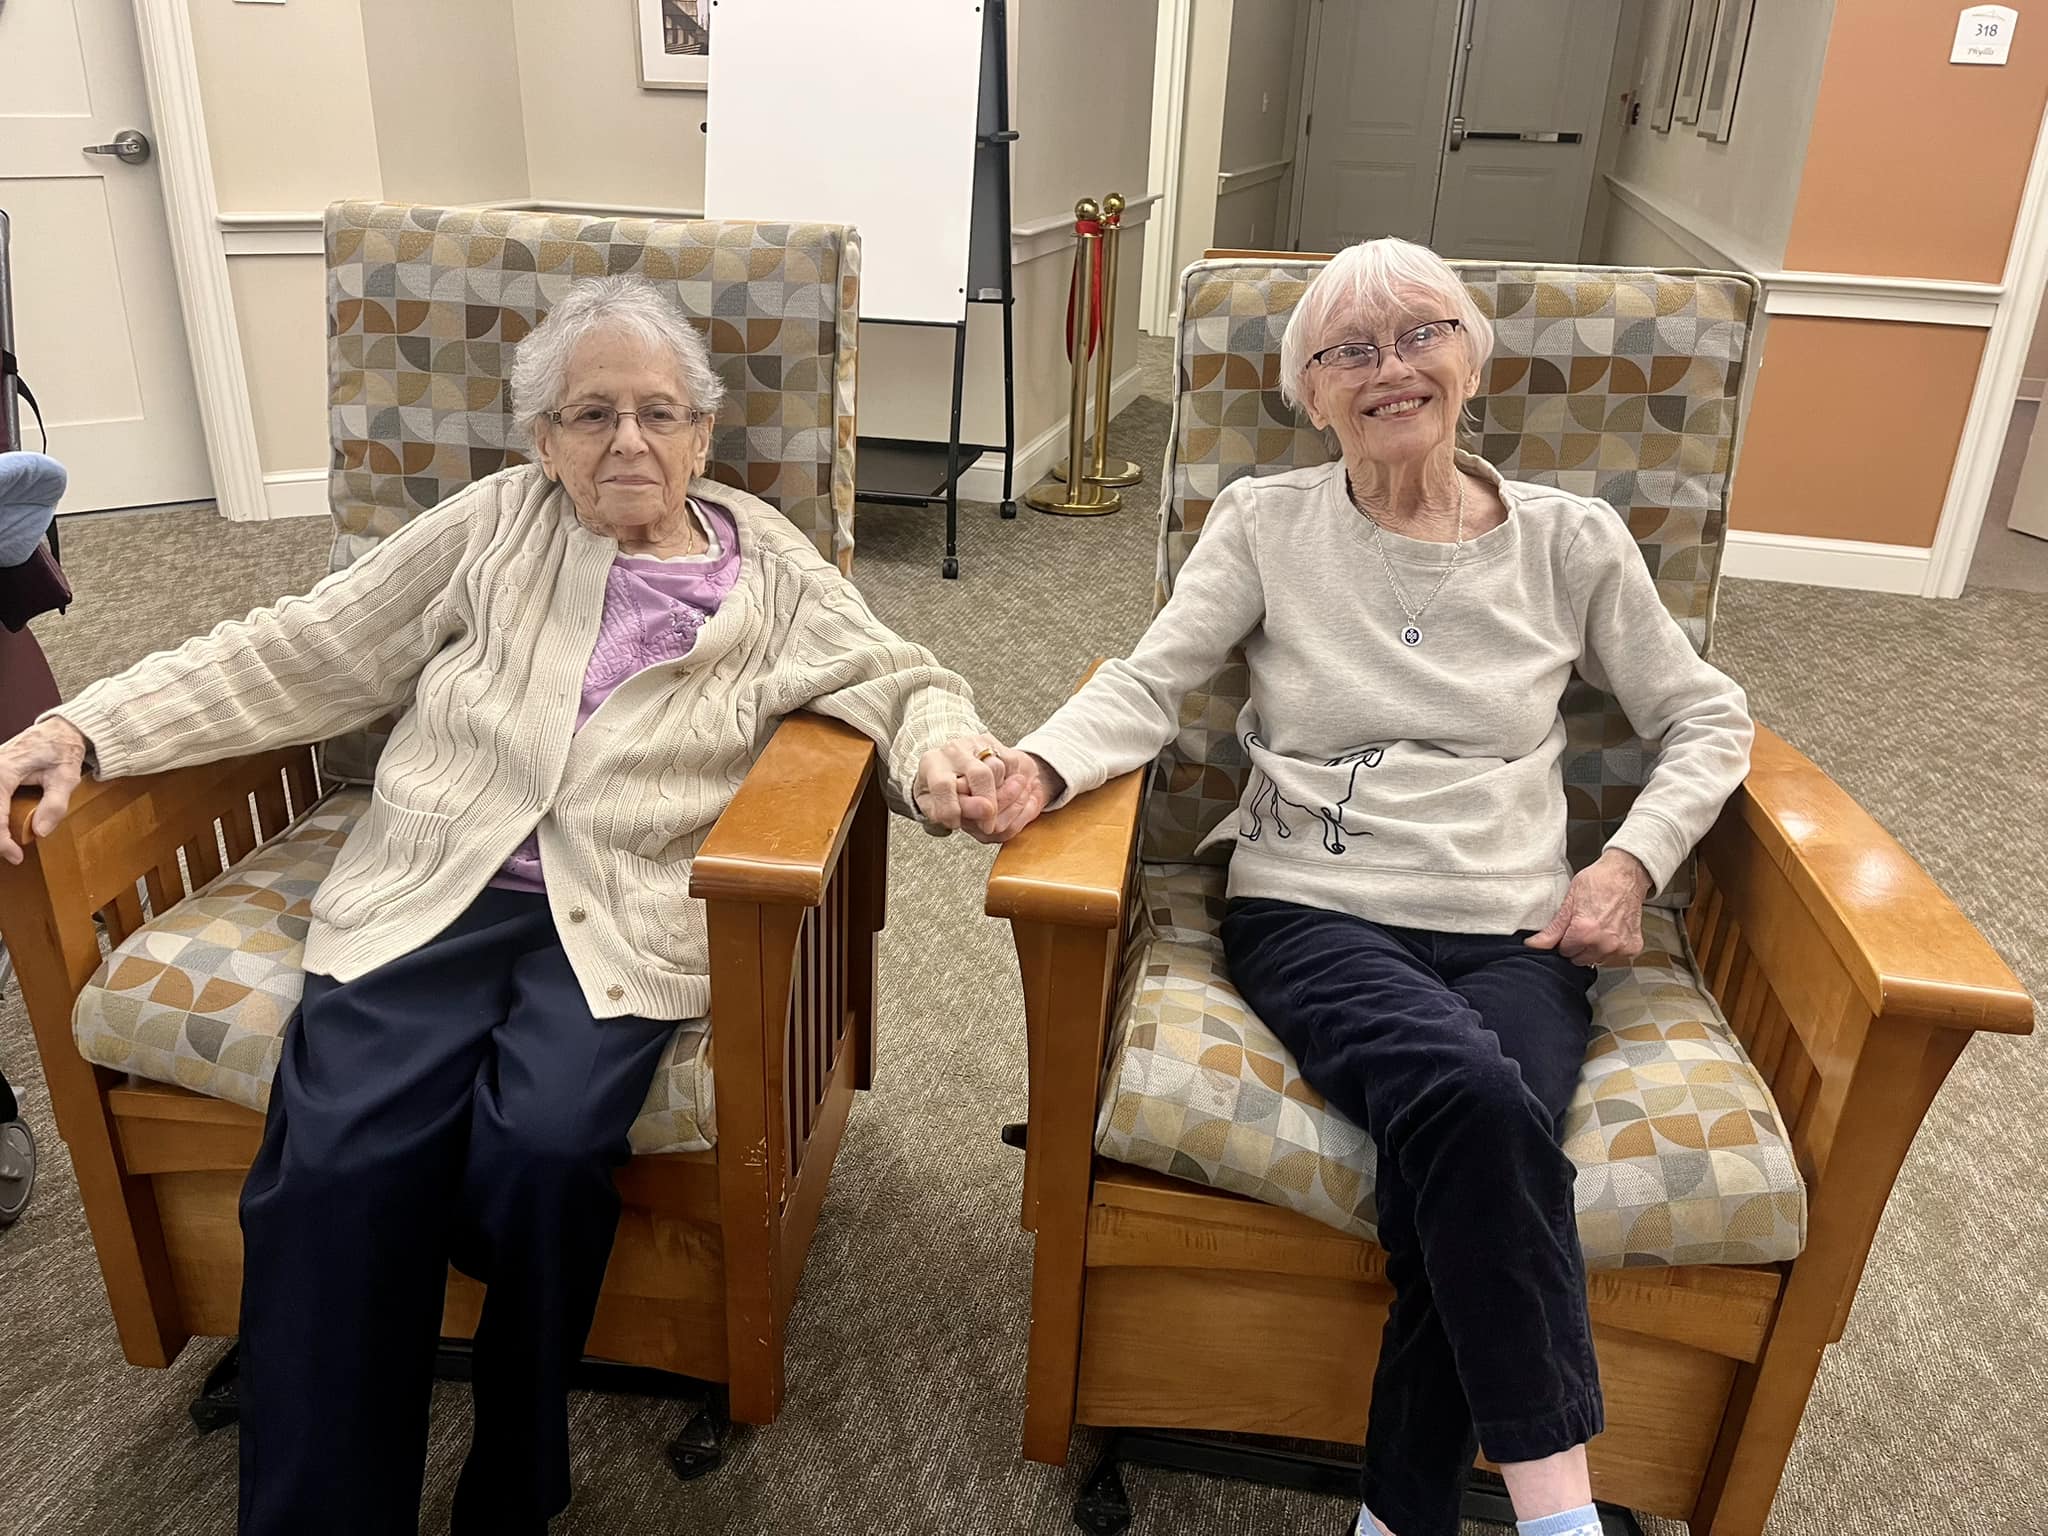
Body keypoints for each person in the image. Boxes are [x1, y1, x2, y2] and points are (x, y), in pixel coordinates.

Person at [0, 276, 1013, 1534]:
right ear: (542, 440)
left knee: (540, 1155)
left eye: (657, 413)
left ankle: (513, 1478)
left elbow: (900, 678)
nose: (626, 442)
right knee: (338, 1161)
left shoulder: (770, 565)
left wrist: (948, 761)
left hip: (623, 912)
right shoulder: (494, 522)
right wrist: (82, 725)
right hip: (431, 888)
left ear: (703, 435)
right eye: (590, 415)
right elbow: (305, 646)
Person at [940, 238, 1753, 1536]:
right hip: (1314, 912)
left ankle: (1399, 1516)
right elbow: (1151, 683)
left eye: (1420, 333)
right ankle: (1561, 1516)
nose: (1390, 369)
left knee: (1487, 1158)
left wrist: (1628, 862)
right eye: (1346, 351)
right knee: (1480, 1106)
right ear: (1307, 395)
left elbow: (1707, 722)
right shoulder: (1268, 524)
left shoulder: (1572, 544)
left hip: (1518, 929)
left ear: (1471, 358)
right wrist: (1038, 769)